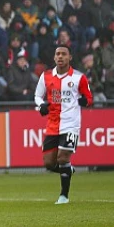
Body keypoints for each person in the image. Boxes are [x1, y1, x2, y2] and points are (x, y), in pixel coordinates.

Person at [34, 45, 92, 204]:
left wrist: (84, 101)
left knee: (62, 157)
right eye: (57, 54)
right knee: (48, 163)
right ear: (54, 58)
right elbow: (38, 96)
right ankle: (68, 171)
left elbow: (89, 97)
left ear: (70, 57)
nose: (60, 57)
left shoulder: (79, 77)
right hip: (52, 124)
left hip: (71, 124)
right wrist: (41, 105)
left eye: (63, 54)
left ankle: (64, 196)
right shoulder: (45, 76)